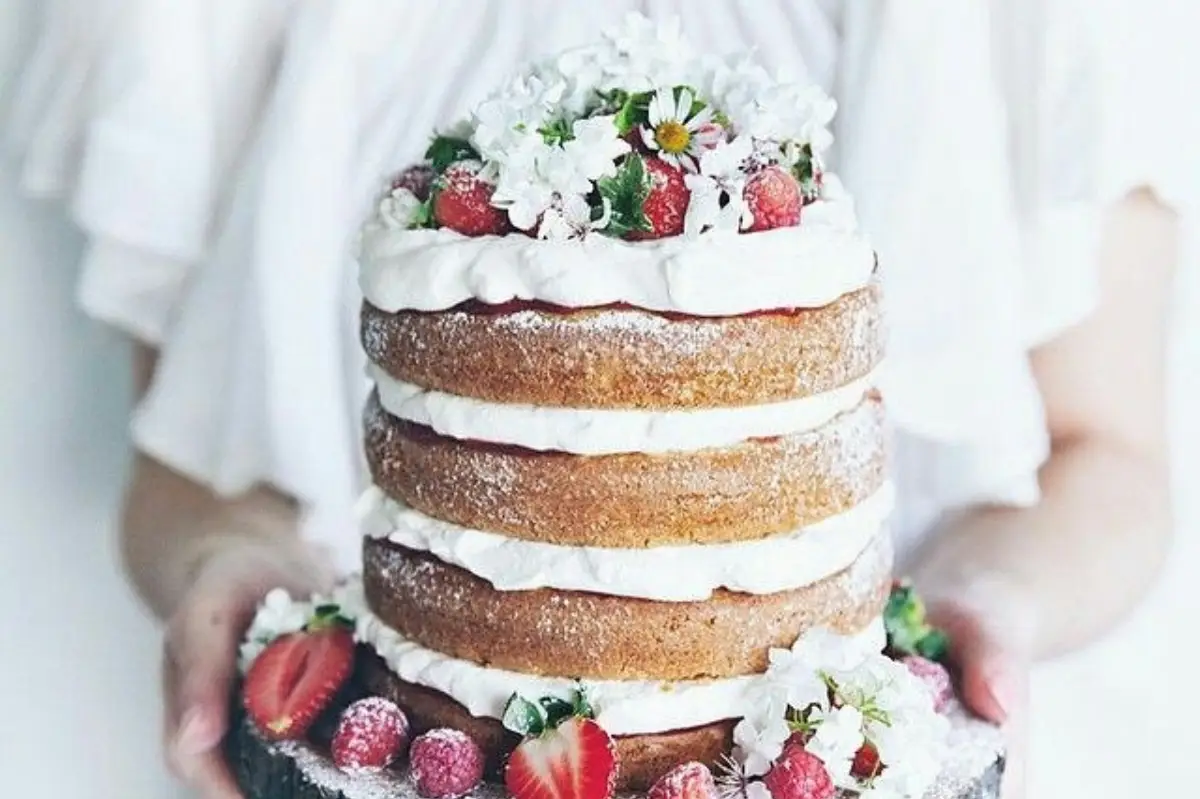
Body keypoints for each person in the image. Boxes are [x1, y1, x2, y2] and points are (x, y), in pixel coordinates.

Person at [9, 1, 1182, 797]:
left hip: (811, 727)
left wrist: (996, 594)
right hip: (421, 709)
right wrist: (228, 556)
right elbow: (180, 470)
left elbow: (1107, 456)